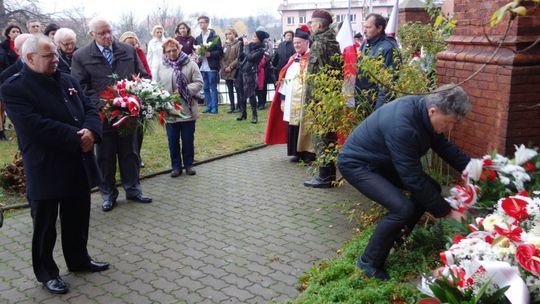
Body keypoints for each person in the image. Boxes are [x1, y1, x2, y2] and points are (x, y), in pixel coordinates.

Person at [1, 34, 109, 295]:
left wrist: (92, 132)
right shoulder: (13, 87)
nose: (56, 59)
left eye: (55, 54)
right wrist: (77, 137)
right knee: (45, 226)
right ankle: (47, 272)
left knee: (77, 217)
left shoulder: (67, 78)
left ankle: (78, 259)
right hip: (45, 166)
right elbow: (34, 126)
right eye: (49, 55)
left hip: (77, 162)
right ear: (29, 58)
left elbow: (90, 107)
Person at [338, 85, 472, 281]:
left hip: (381, 161)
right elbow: (412, 178)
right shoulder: (403, 126)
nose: (449, 128)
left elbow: (443, 146)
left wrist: (475, 170)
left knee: (431, 189)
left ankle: (399, 236)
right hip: (358, 164)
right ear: (433, 111)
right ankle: (369, 262)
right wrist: (447, 211)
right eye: (449, 122)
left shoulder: (423, 112)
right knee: (403, 208)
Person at [71, 17, 151, 212]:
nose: (107, 36)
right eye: (102, 33)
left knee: (130, 153)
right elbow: (80, 87)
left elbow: (142, 76)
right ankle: (108, 194)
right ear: (92, 35)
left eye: (109, 31)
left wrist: (134, 95)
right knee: (105, 157)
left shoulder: (127, 50)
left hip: (127, 114)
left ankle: (133, 189)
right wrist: (106, 103)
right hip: (102, 116)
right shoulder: (81, 56)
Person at [265, 25, 316, 164]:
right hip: (291, 100)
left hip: (306, 101)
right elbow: (284, 81)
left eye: (299, 43)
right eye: (295, 43)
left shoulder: (312, 59)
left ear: (307, 43)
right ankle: (296, 152)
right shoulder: (293, 58)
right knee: (292, 126)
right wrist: (282, 99)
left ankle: (308, 154)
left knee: (306, 126)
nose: (296, 45)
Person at [303, 9, 341, 189]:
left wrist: (313, 101)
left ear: (318, 25)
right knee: (329, 137)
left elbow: (318, 76)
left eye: (311, 23)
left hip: (321, 100)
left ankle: (325, 177)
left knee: (322, 138)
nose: (310, 27)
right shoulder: (331, 42)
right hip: (329, 98)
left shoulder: (320, 44)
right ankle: (330, 175)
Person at [155, 38, 203, 177]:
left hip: (187, 108)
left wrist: (184, 90)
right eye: (168, 51)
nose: (172, 53)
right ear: (164, 52)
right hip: (170, 110)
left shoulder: (190, 64)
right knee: (172, 140)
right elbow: (157, 85)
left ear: (179, 49)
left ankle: (188, 165)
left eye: (174, 50)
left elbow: (199, 83)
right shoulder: (161, 66)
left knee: (188, 140)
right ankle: (175, 166)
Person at [355, 13, 400, 110]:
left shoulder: (388, 48)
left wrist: (379, 111)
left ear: (379, 28)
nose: (364, 31)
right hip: (362, 101)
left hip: (375, 104)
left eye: (368, 27)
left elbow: (387, 85)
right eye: (364, 27)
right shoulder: (366, 43)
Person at [237, 30, 267, 124]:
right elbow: (242, 56)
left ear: (259, 38)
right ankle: (243, 113)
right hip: (242, 71)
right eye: (253, 36)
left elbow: (250, 58)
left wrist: (246, 46)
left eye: (255, 36)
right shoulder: (250, 46)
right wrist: (242, 45)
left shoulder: (261, 50)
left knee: (251, 94)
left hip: (251, 73)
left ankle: (254, 115)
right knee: (241, 93)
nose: (253, 38)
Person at [195, 15, 223, 114]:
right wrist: (198, 56)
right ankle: (208, 105)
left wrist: (210, 54)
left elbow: (220, 52)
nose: (201, 24)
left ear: (207, 23)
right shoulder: (198, 38)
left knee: (213, 87)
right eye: (199, 22)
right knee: (205, 87)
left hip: (212, 66)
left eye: (203, 22)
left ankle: (214, 107)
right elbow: (196, 51)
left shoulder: (215, 37)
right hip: (202, 66)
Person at [0, 24, 21, 141]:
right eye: (13, 31)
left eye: (18, 31)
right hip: (5, 78)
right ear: (8, 34)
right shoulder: (3, 47)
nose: (16, 33)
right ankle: (1, 130)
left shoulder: (22, 45)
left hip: (19, 78)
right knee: (1, 107)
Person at [221, 27, 242, 113]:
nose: (228, 36)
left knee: (238, 89)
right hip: (226, 70)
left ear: (234, 34)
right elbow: (221, 57)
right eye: (226, 34)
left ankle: (239, 106)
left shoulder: (239, 43)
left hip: (235, 70)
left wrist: (231, 67)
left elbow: (239, 57)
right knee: (229, 89)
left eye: (230, 33)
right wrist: (225, 66)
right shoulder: (225, 45)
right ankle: (232, 106)